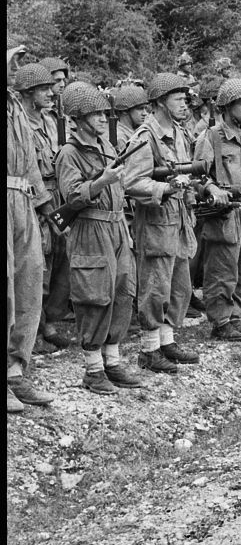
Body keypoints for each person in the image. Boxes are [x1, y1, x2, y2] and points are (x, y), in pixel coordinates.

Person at [55, 82, 144, 393]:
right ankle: (93, 369)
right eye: (96, 114)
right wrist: (102, 181)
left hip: (117, 226)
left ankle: (113, 362)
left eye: (104, 113)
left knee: (122, 291)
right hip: (90, 229)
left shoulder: (107, 145)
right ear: (79, 119)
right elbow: (71, 195)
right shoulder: (69, 153)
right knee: (94, 295)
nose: (103, 119)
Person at [123, 73, 208, 373]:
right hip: (157, 220)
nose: (185, 104)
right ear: (160, 102)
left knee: (179, 285)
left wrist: (190, 192)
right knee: (155, 285)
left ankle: (167, 340)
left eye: (186, 99)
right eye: (178, 99)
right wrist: (166, 188)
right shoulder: (145, 137)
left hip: (179, 218)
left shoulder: (180, 133)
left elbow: (186, 174)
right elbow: (132, 182)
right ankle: (149, 349)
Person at [193, 78, 241, 342]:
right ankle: (220, 322)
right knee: (222, 269)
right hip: (222, 212)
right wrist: (212, 189)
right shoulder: (211, 137)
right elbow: (197, 176)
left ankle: (235, 317)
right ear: (227, 107)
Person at [7, 45, 56, 413]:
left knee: (29, 282)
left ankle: (15, 370)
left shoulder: (19, 113)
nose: (14, 69)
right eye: (12, 63)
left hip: (23, 202)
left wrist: (47, 208)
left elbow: (32, 167)